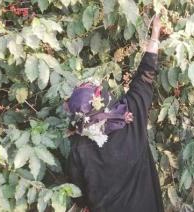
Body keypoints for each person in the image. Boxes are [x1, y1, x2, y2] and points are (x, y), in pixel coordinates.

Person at [65, 16, 164, 212]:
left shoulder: (78, 149)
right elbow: (145, 77)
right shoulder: (129, 117)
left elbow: (79, 195)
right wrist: (154, 34)